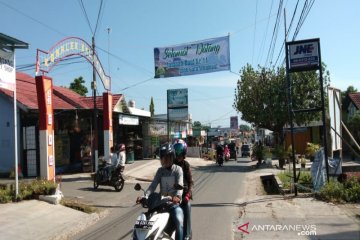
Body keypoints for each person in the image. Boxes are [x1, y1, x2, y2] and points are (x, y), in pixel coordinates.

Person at [136, 143, 184, 240]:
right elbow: (153, 186)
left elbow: (180, 184)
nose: (165, 160)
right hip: (160, 203)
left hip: (173, 204)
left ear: (173, 157)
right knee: (143, 221)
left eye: (168, 158)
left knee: (179, 220)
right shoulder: (160, 171)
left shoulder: (178, 170)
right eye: (163, 158)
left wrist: (178, 197)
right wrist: (144, 196)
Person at [173, 139, 193, 240]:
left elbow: (190, 182)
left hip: (184, 196)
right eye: (176, 150)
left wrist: (188, 195)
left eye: (180, 151)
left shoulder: (186, 165)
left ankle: (187, 234)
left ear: (184, 151)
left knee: (187, 206)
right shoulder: (170, 164)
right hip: (171, 196)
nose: (178, 153)